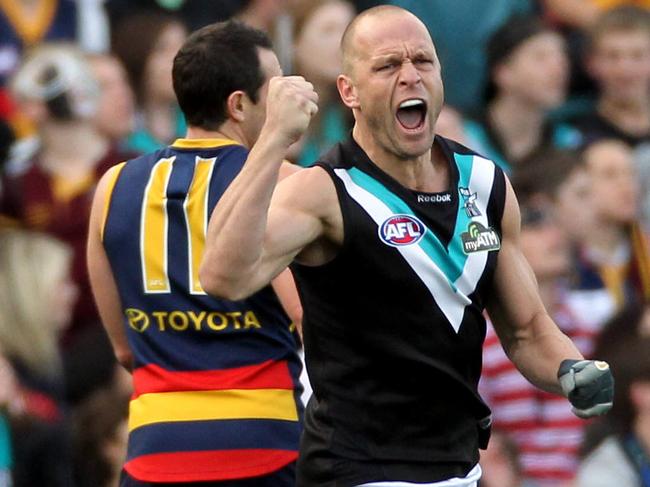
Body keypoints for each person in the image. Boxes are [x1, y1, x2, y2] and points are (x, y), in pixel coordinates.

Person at [199, 6, 614, 486]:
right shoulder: (325, 190)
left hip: (458, 466)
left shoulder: (484, 183)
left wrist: (570, 368)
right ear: (348, 91)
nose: (410, 76)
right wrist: (273, 140)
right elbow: (223, 277)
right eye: (387, 65)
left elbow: (525, 330)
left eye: (423, 61)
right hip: (357, 468)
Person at [87, 21, 304, 486]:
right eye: (277, 88)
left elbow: (124, 347)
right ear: (239, 105)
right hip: (264, 448)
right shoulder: (281, 181)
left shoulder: (113, 185)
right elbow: (309, 318)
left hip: (154, 452)